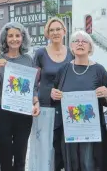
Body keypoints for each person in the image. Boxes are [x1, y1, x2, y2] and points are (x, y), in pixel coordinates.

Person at [51, 30, 107, 171]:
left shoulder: (99, 70)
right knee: (71, 162)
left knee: (88, 162)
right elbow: (54, 97)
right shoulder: (63, 70)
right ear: (71, 47)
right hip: (70, 127)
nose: (80, 43)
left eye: (84, 41)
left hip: (91, 128)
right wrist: (53, 95)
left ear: (90, 47)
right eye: (76, 41)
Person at [0, 22, 40, 171]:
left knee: (20, 158)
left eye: (17, 36)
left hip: (23, 112)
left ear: (22, 38)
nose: (14, 39)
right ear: (5, 39)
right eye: (10, 36)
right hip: (1, 111)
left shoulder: (28, 60)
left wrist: (36, 102)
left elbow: (33, 88)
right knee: (5, 159)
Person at [33, 17, 73, 171]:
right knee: (45, 146)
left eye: (58, 29)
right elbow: (34, 82)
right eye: (52, 30)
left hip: (66, 107)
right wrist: (35, 100)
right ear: (47, 34)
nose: (55, 32)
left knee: (63, 146)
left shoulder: (71, 53)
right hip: (46, 106)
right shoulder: (41, 53)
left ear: (64, 31)